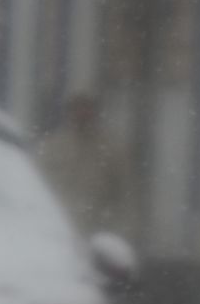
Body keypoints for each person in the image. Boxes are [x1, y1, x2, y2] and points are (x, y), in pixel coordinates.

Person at [35, 92, 133, 237]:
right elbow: (37, 189)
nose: (82, 113)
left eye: (86, 107)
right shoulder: (50, 148)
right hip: (58, 233)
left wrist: (118, 231)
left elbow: (126, 196)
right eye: (77, 107)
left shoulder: (111, 150)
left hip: (97, 234)